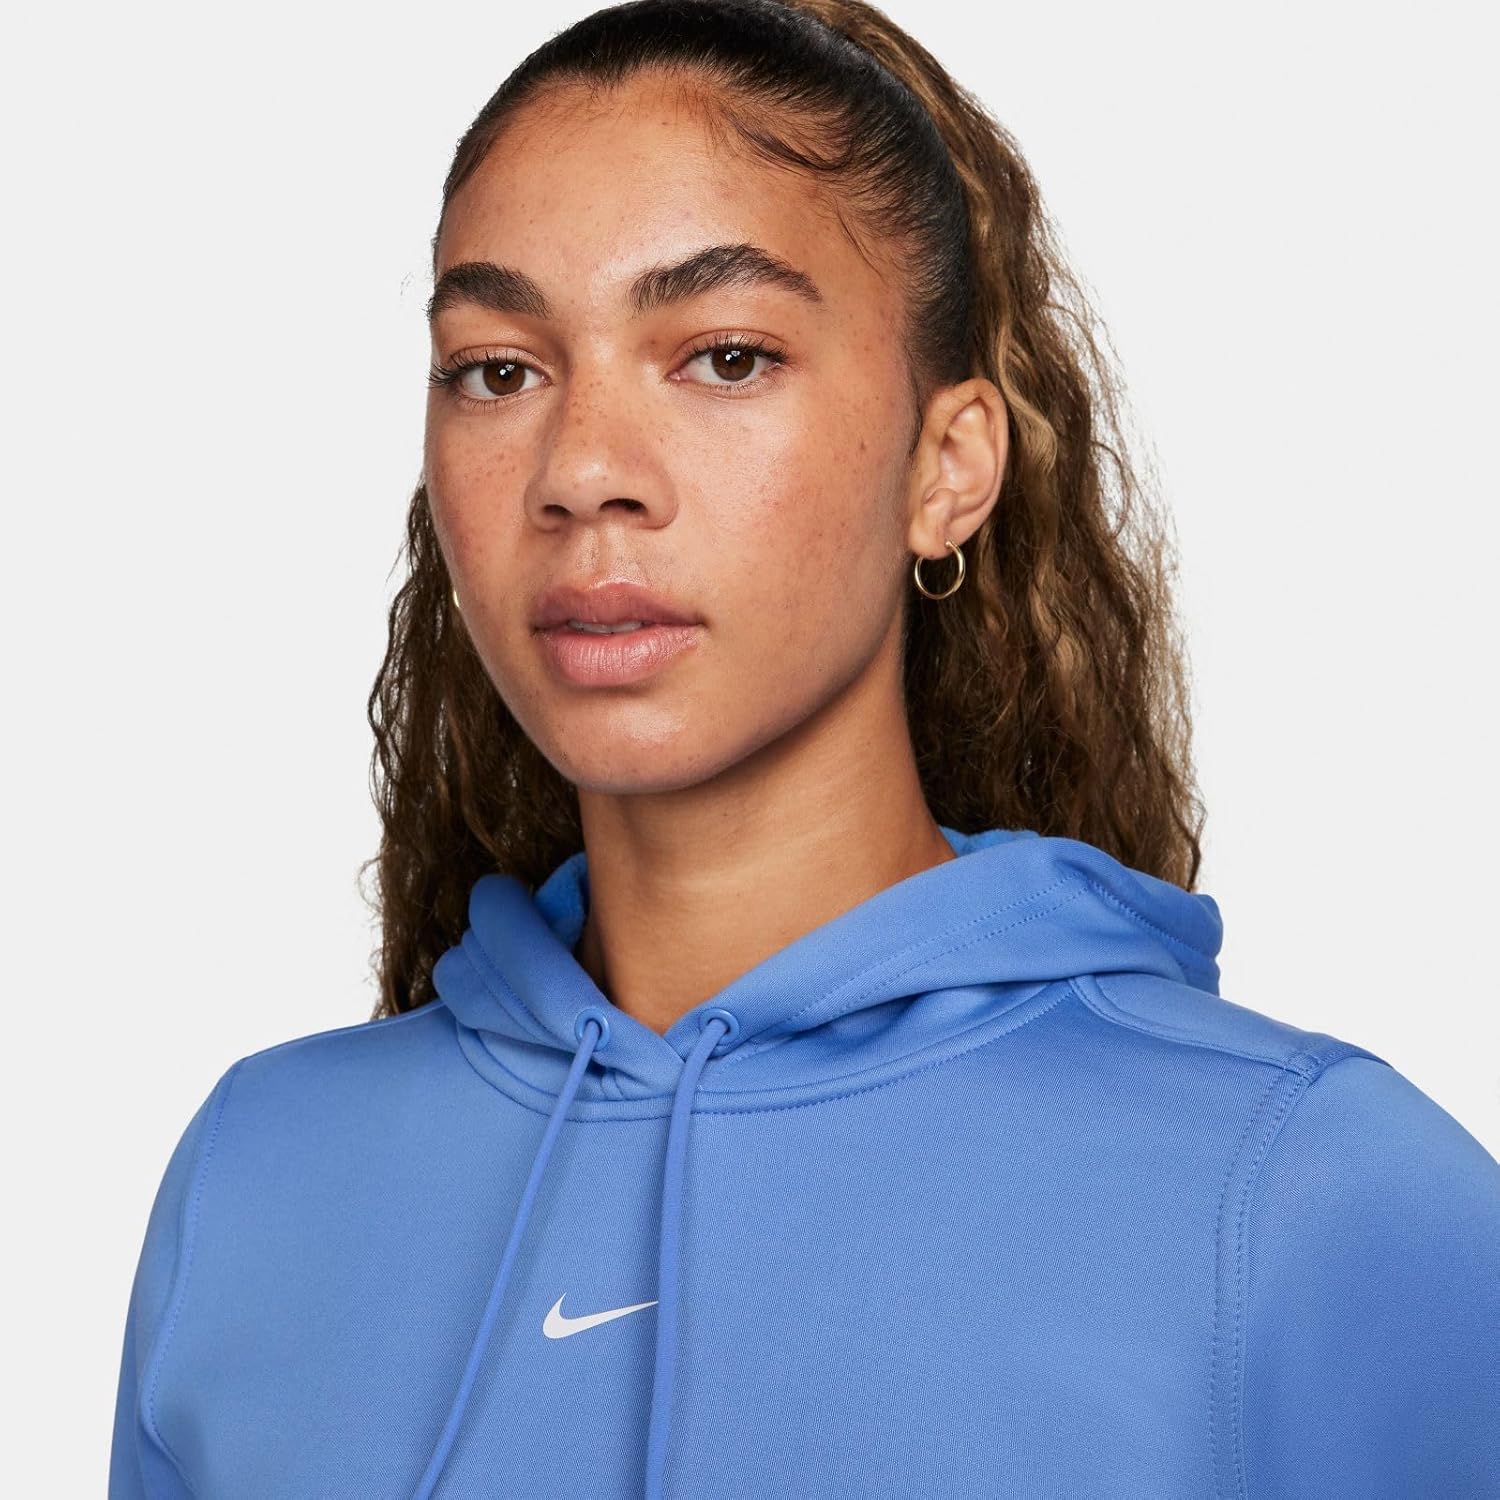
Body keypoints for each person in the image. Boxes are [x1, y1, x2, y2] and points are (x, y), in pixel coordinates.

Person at [108, 1, 1500, 1495]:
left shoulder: (1304, 1199)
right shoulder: (259, 1180)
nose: (583, 471)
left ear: (947, 467)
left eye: (724, 356)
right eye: (499, 370)